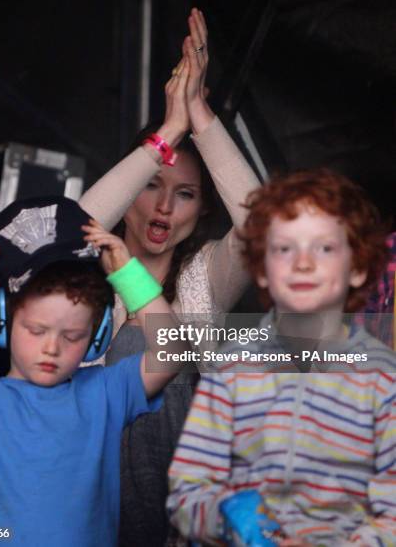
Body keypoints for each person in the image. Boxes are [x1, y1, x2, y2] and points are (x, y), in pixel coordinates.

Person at [79, 8, 260, 546]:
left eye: (184, 194)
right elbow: (70, 227)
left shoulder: (202, 279)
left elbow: (264, 228)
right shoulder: (83, 274)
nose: (164, 208)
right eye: (152, 185)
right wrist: (169, 131)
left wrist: (199, 115)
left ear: (201, 209)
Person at [167, 169, 396, 546]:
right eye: (284, 247)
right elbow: (187, 493)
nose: (302, 262)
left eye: (324, 247)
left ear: (357, 268)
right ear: (261, 269)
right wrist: (226, 516)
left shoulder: (383, 380)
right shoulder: (232, 370)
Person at [0, 195, 185, 547]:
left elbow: (172, 350)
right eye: (37, 330)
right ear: (2, 320)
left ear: (97, 335)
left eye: (72, 336)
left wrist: (127, 274)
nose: (52, 348)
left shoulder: (105, 393)